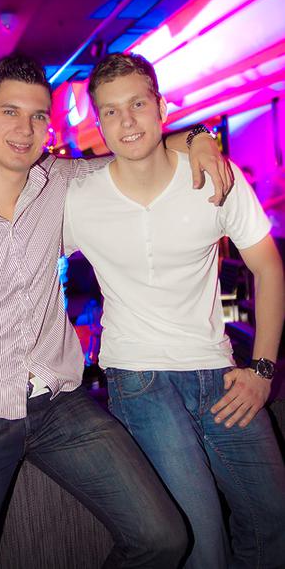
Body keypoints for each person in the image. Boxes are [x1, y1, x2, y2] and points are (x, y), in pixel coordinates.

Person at [0, 53, 231, 569]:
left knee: (164, 537)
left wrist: (197, 138)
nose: (25, 128)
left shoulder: (60, 182)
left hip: (61, 405)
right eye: (9, 112)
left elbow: (135, 147)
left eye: (38, 115)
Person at [62, 53, 285, 568]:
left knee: (273, 519)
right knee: (201, 545)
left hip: (218, 370)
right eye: (111, 111)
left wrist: (263, 369)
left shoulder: (214, 177)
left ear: (162, 108)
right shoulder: (80, 200)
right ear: (99, 124)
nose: (126, 121)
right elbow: (17, 255)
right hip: (139, 378)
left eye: (137, 104)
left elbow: (268, 268)